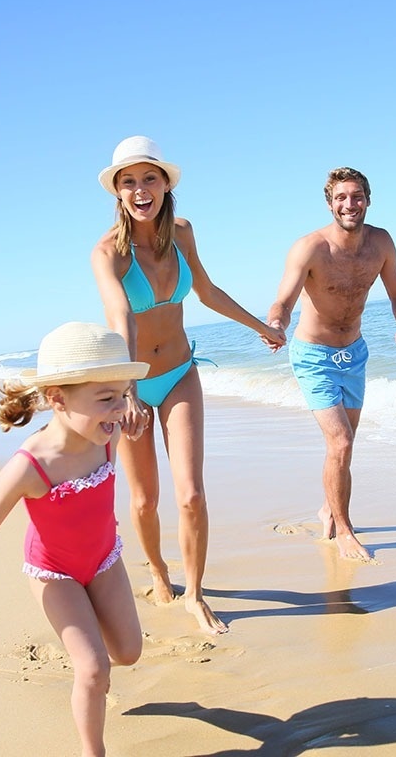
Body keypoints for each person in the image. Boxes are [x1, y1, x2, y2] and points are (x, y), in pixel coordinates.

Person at [0, 321, 149, 757]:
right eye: (106, 398)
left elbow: (125, 417)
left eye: (124, 394)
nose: (119, 408)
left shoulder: (106, 432)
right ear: (57, 398)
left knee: (128, 652)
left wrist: (129, 415)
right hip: (54, 572)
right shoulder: (30, 467)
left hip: (104, 559)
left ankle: (94, 653)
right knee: (93, 670)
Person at [91, 135, 285, 634]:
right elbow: (120, 319)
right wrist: (128, 391)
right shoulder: (107, 253)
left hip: (179, 373)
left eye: (148, 179)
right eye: (128, 182)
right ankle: (158, 572)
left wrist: (260, 327)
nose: (140, 190)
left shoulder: (181, 232)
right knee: (142, 501)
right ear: (117, 191)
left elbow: (206, 290)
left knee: (192, 494)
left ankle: (195, 594)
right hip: (131, 382)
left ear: (164, 184)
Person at [267, 167, 396, 561]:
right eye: (342, 198)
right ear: (330, 203)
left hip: (355, 354)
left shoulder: (381, 243)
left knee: (344, 447)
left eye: (357, 196)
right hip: (314, 356)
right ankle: (344, 529)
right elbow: (284, 300)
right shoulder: (311, 247)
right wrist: (276, 323)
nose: (350, 204)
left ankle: (328, 507)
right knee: (342, 441)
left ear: (368, 199)